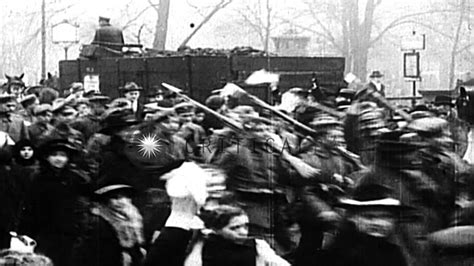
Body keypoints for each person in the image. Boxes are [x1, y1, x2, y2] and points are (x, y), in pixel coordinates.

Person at [19, 138, 91, 266]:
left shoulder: (74, 178)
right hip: (44, 233)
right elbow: (29, 208)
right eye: (54, 155)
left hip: (69, 233)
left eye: (63, 156)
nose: (58, 159)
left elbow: (86, 200)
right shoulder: (38, 179)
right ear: (47, 157)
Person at [318, 183, 411, 266]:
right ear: (352, 217)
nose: (378, 223)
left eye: (386, 217)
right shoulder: (341, 253)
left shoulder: (393, 252)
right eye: (369, 217)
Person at [72, 180, 145, 266]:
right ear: (106, 200)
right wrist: (120, 256)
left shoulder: (134, 216)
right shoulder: (97, 221)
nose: (121, 202)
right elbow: (93, 251)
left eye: (125, 197)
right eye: (115, 198)